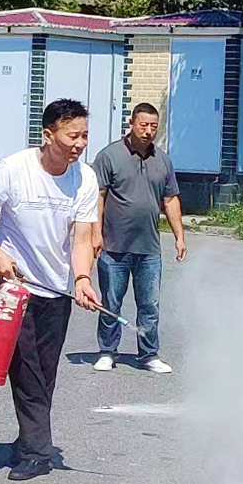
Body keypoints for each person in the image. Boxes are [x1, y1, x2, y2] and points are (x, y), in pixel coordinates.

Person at [0, 98, 103, 483]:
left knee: (45, 369)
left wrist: (81, 280)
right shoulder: (13, 169)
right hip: (13, 284)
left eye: (85, 136)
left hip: (56, 286)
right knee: (23, 365)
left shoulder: (85, 178)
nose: (79, 144)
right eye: (72, 135)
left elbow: (82, 238)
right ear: (49, 134)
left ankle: (28, 439)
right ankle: (39, 452)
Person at [89, 102, 186, 374]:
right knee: (111, 302)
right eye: (143, 125)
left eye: (153, 126)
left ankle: (148, 354)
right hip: (114, 246)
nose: (148, 131)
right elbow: (98, 196)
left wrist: (179, 236)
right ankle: (108, 351)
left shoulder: (163, 159)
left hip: (149, 248)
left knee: (149, 304)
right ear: (131, 123)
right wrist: (96, 233)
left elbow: (170, 199)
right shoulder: (109, 156)